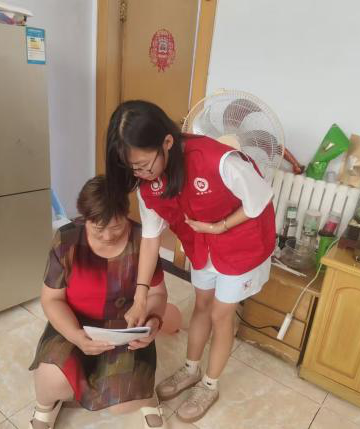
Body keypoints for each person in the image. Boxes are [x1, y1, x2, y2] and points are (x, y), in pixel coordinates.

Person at [105, 100, 276, 423]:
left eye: (144, 165)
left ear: (167, 142)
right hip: (202, 244)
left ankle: (210, 384)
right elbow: (151, 239)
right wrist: (140, 297)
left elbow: (260, 199)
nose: (140, 174)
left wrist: (221, 226)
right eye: (132, 169)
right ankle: (191, 369)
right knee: (201, 305)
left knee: (221, 314)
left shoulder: (219, 161)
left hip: (242, 243)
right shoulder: (147, 185)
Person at [28, 175, 168, 429]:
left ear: (126, 214)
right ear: (84, 218)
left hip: (126, 328)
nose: (107, 236)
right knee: (52, 379)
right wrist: (75, 335)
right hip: (76, 321)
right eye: (97, 228)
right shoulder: (67, 240)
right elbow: (51, 299)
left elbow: (157, 294)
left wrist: (154, 321)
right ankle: (46, 406)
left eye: (116, 227)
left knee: (123, 403)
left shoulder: (142, 240)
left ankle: (146, 395)